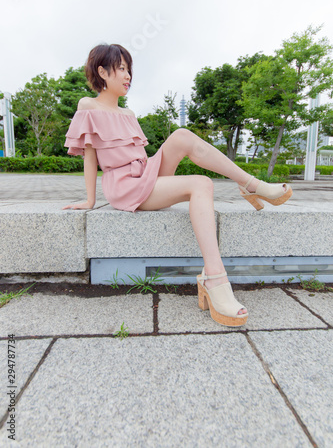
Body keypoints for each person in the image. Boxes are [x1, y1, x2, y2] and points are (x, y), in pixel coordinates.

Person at [63, 43, 292, 328]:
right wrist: (90, 200)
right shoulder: (88, 106)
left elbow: (142, 155)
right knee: (201, 184)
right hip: (124, 185)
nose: (127, 75)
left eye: (128, 69)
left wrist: (153, 168)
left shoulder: (129, 114)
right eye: (121, 68)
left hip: (144, 173)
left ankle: (251, 184)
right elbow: (89, 157)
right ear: (102, 71)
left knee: (182, 135)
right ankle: (215, 278)